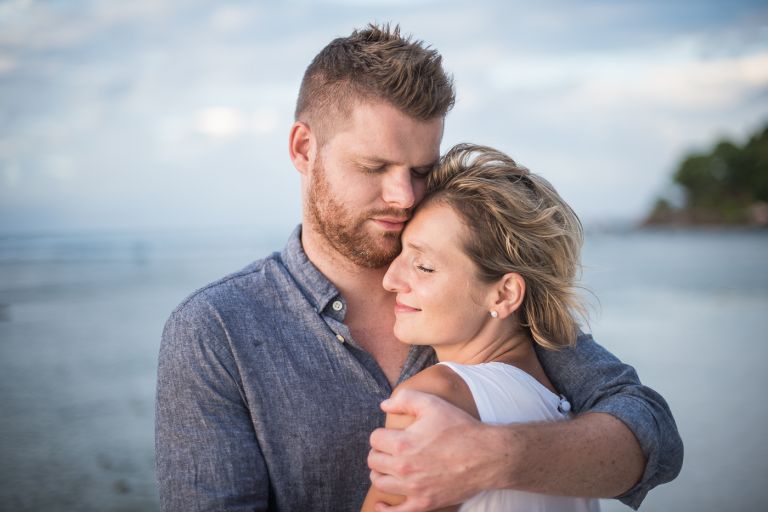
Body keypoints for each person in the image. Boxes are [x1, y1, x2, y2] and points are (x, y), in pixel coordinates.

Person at [155, 24, 682, 512]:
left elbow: (654, 437)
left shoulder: (472, 297)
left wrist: (492, 455)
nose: (402, 196)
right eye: (375, 166)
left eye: (420, 171)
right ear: (303, 148)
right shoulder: (214, 329)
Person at [362, 143, 601, 511]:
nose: (391, 279)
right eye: (401, 255)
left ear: (504, 294)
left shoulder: (433, 400)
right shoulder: (570, 412)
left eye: (424, 266)